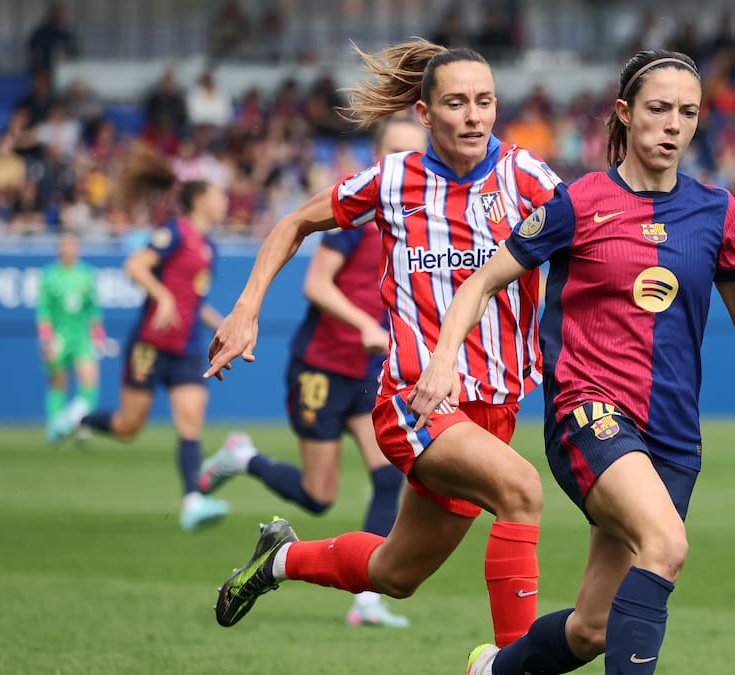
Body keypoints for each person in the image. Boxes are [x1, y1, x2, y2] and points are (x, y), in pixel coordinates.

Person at [406, 50, 735, 675]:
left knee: (592, 628)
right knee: (666, 545)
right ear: (624, 112)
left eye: (688, 113)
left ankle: (493, 671)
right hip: (588, 413)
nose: (673, 125)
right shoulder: (578, 203)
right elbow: (481, 283)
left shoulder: (717, 212)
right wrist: (443, 358)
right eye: (659, 109)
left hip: (673, 435)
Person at [204, 40, 561, 652]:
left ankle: (278, 560)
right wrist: (246, 307)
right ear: (425, 114)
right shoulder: (393, 180)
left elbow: (590, 237)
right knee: (522, 491)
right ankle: (512, 664)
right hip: (414, 401)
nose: (474, 116)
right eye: (456, 103)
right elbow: (294, 222)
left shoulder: (525, 176)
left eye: (484, 101)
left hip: (493, 410)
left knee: (396, 574)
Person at [196, 116, 427, 628]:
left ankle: (366, 601)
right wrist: (365, 324)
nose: (406, 163)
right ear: (378, 156)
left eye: (415, 153)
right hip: (322, 366)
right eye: (396, 152)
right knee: (319, 497)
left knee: (387, 475)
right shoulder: (355, 218)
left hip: (367, 370)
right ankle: (242, 457)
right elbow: (316, 285)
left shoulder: (417, 221)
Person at [63, 143, 231, 532]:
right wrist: (163, 296)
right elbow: (135, 265)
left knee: (191, 420)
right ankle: (80, 417)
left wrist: (220, 324)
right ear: (199, 201)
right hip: (151, 345)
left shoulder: (209, 247)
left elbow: (193, 302)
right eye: (219, 195)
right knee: (128, 426)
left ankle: (192, 501)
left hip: (186, 348)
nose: (225, 201)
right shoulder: (174, 232)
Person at [39, 231, 107, 443]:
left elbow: (93, 308)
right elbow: (43, 310)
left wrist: (98, 335)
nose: (69, 250)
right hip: (59, 338)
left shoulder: (86, 274)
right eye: (65, 245)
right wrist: (46, 339)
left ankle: (80, 423)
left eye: (72, 245)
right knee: (58, 383)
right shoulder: (50, 276)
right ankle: (55, 428)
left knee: (90, 381)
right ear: (59, 249)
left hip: (81, 337)